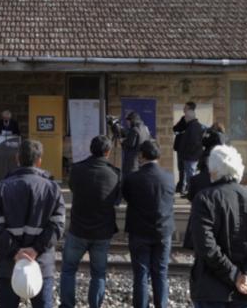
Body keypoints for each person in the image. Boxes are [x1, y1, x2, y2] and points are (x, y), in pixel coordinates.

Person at [189, 145, 247, 308]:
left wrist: (235, 275)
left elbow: (205, 246)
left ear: (214, 171)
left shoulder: (204, 199)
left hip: (211, 290)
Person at [0, 139, 66, 308]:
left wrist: (16, 251)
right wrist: (35, 249)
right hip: (41, 263)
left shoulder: (0, 188)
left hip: (9, 263)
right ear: (39, 160)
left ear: (17, 158)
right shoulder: (52, 189)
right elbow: (58, 225)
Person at [60, 135, 121, 308]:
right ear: (108, 152)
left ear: (91, 149)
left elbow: (72, 187)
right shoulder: (115, 174)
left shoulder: (77, 169)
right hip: (102, 232)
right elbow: (116, 199)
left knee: (68, 270)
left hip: (78, 229)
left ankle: (67, 305)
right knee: (99, 273)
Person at [122, 140, 175, 308]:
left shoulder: (132, 178)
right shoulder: (169, 177)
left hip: (139, 231)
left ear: (141, 156)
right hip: (163, 231)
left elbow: (127, 197)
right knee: (161, 272)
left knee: (141, 275)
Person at [172, 102, 204, 195]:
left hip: (189, 153)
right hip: (182, 150)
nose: (183, 109)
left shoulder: (193, 124)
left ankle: (188, 190)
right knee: (182, 169)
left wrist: (182, 131)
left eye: (185, 107)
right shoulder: (187, 121)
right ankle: (183, 187)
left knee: (189, 172)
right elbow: (175, 128)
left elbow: (194, 141)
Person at [120, 112, 150, 178]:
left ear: (132, 120)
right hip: (141, 161)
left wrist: (122, 141)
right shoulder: (145, 129)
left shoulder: (134, 130)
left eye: (128, 121)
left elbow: (130, 144)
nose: (127, 123)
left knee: (129, 181)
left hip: (132, 162)